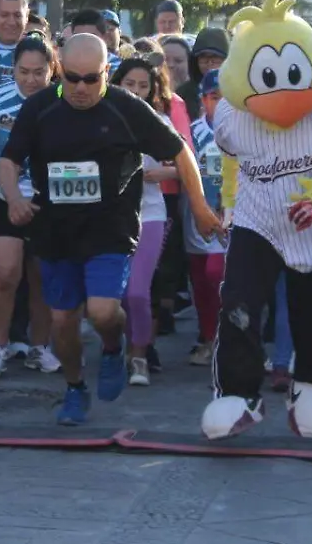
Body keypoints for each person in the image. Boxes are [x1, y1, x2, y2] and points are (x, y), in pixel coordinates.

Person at [0, 33, 221, 426]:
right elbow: (9, 160)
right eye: (71, 78)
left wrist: (201, 208)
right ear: (58, 71)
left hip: (109, 227)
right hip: (55, 228)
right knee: (63, 320)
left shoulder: (126, 108)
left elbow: (180, 150)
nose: (81, 88)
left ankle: (114, 346)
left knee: (103, 311)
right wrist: (14, 196)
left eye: (91, 78)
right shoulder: (39, 109)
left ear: (107, 73)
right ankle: (74, 387)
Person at [200, 0, 312, 440]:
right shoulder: (229, 113)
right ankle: (240, 394)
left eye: (292, 74)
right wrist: (229, 202)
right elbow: (230, 155)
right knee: (238, 305)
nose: (281, 90)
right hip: (256, 221)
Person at [0, 33, 60, 376]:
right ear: (13, 70)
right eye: (23, 71)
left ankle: (40, 347)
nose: (30, 79)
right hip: (2, 197)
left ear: (52, 70)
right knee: (6, 272)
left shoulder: (63, 100)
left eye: (39, 72)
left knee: (42, 276)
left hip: (49, 200)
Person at [110, 54, 176, 386]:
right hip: (110, 218)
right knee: (117, 295)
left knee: (137, 292)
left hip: (151, 215)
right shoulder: (101, 119)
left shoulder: (160, 123)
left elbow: (184, 164)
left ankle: (139, 356)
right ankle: (122, 348)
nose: (135, 91)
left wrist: (163, 172)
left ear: (153, 90)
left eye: (143, 86)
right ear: (116, 84)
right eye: (129, 84)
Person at [185, 69, 225, 366]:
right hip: (198, 219)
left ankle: (229, 336)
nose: (222, 104)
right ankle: (208, 336)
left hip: (233, 219)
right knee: (201, 283)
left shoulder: (248, 129)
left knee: (218, 274)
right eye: (215, 97)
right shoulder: (193, 132)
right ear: (203, 100)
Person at [175, 27, 229, 122]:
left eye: (215, 57)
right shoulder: (183, 94)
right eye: (203, 57)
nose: (209, 63)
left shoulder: (237, 93)